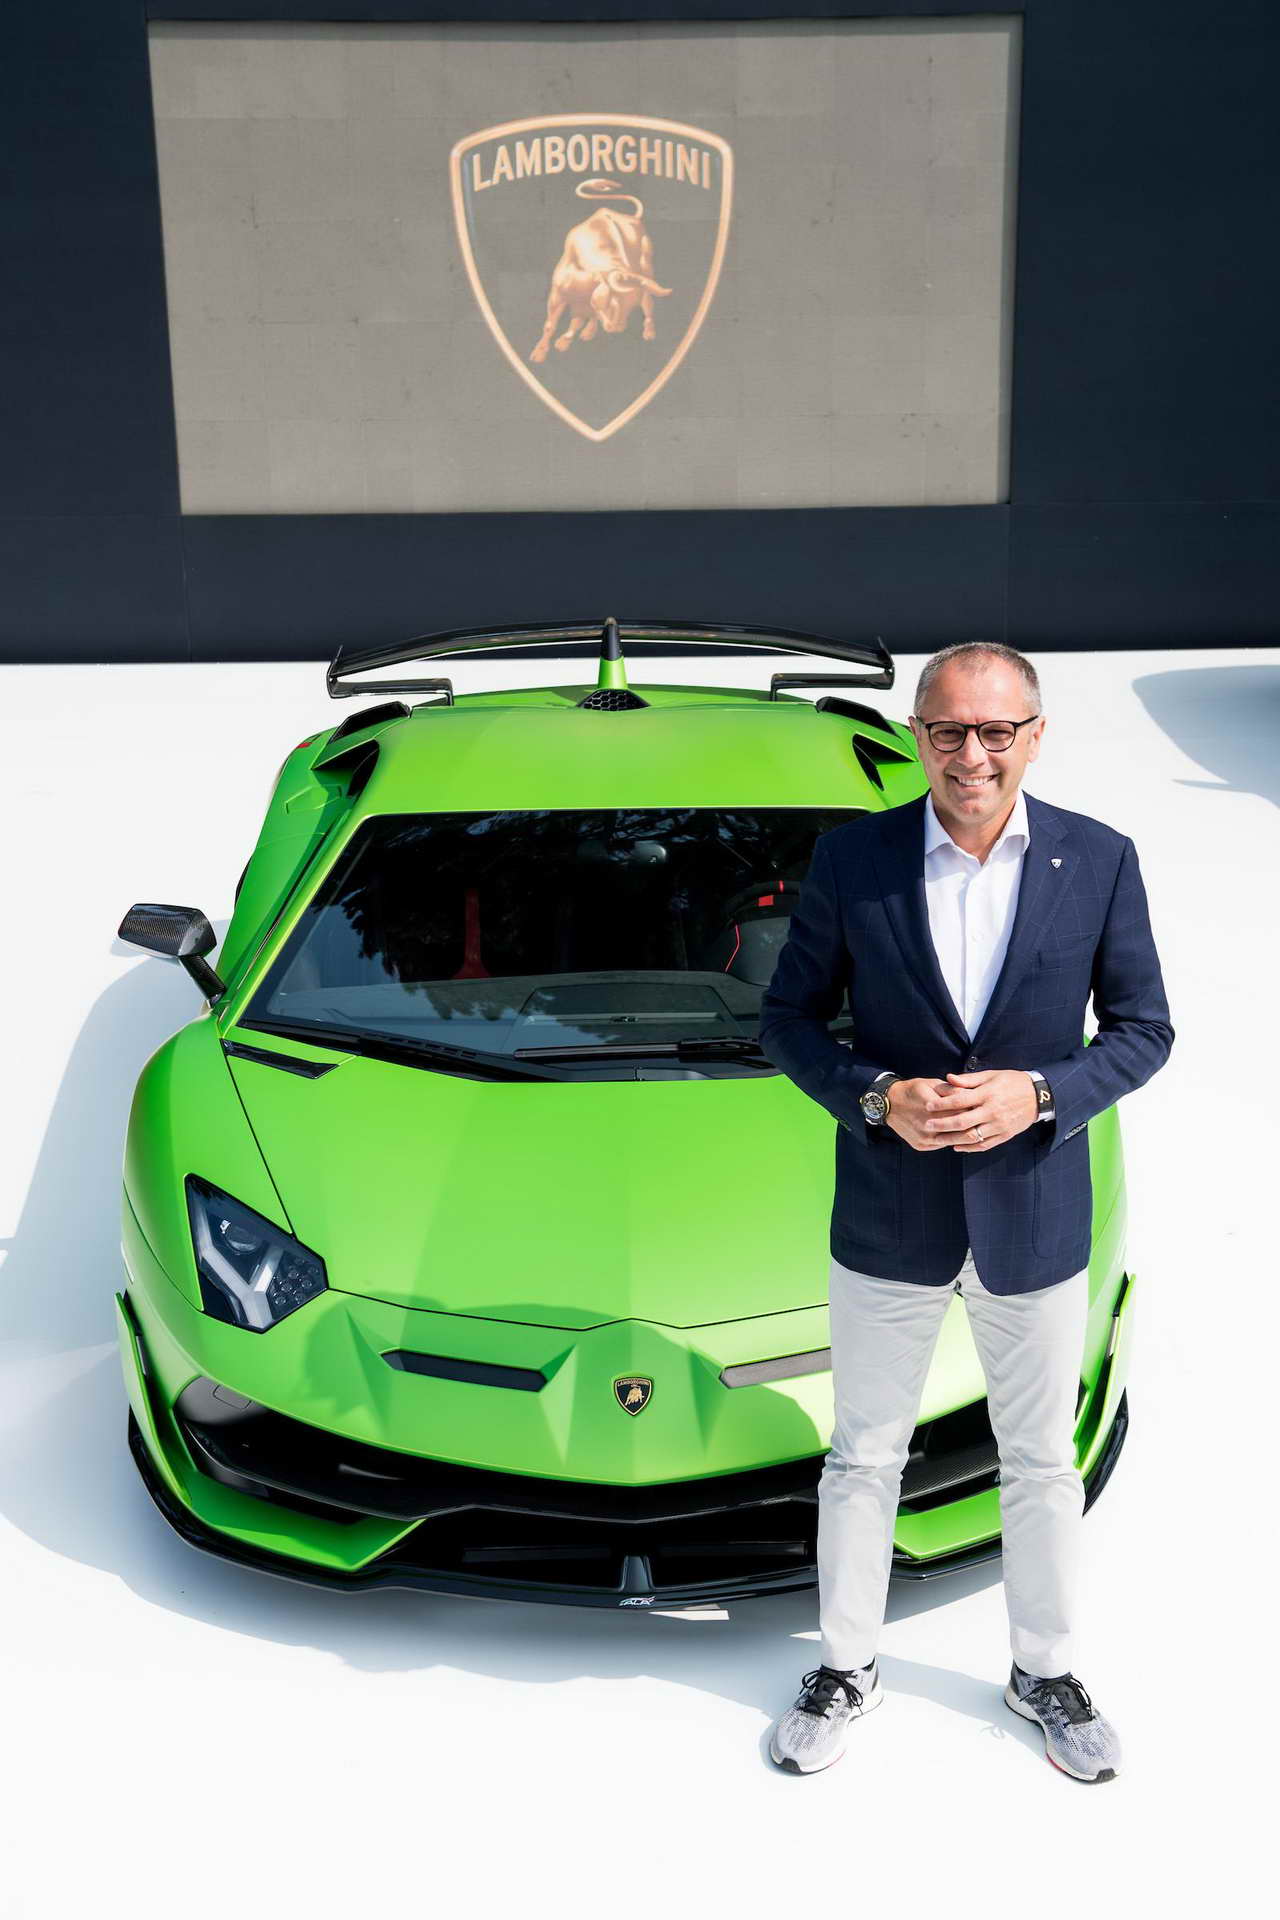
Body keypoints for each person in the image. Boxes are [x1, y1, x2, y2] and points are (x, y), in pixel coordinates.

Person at [758, 641, 1172, 1782]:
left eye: (995, 731)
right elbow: (787, 1021)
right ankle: (845, 1665)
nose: (971, 754)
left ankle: (1044, 1672)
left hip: (1033, 1214)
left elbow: (1143, 1031)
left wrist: (1040, 1094)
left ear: (1034, 736)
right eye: (948, 730)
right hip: (889, 1214)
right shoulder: (853, 860)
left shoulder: (1099, 859)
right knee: (862, 1457)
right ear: (917, 737)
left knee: (1039, 1462)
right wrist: (874, 1096)